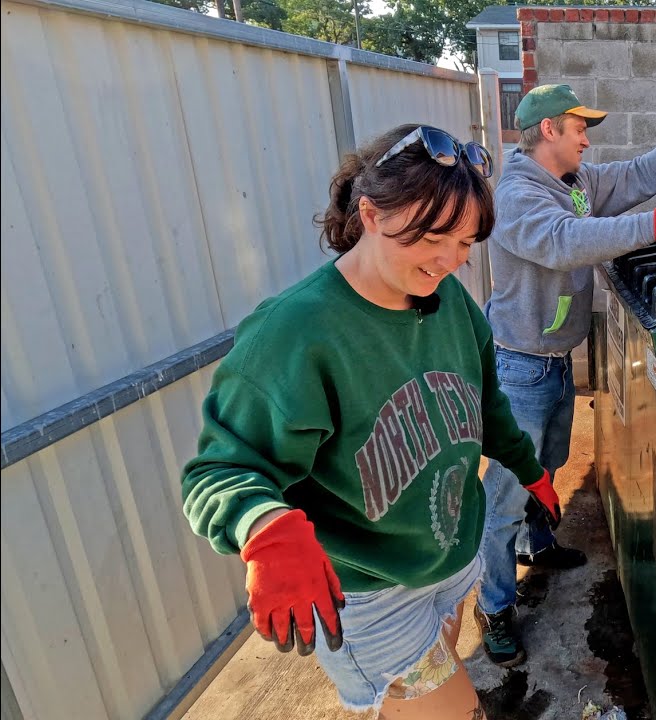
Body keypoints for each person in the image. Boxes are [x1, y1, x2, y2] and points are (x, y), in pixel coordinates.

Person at [180, 123, 563, 718]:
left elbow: (487, 405)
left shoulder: (451, 302)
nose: (449, 261)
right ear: (371, 213)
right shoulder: (297, 332)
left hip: (449, 563)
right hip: (373, 592)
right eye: (434, 236)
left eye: (465, 244)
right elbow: (219, 471)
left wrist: (527, 468)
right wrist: (265, 528)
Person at [474, 84, 656, 667]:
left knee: (550, 464)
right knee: (506, 494)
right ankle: (495, 604)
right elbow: (566, 243)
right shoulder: (514, 195)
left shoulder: (575, 185)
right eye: (577, 128)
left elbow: (636, 176)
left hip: (557, 359)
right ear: (547, 133)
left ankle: (537, 546)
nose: (587, 138)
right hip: (520, 364)